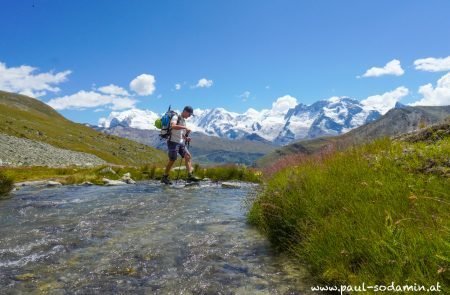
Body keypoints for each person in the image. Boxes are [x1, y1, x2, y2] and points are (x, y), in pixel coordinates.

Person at [161, 106, 200, 185]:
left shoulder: (183, 120)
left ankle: (190, 176)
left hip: (180, 142)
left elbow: (180, 133)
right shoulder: (176, 117)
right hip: (172, 142)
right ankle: (164, 177)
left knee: (188, 156)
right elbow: (173, 126)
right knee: (173, 159)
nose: (189, 116)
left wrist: (186, 138)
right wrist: (184, 127)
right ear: (185, 111)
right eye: (189, 114)